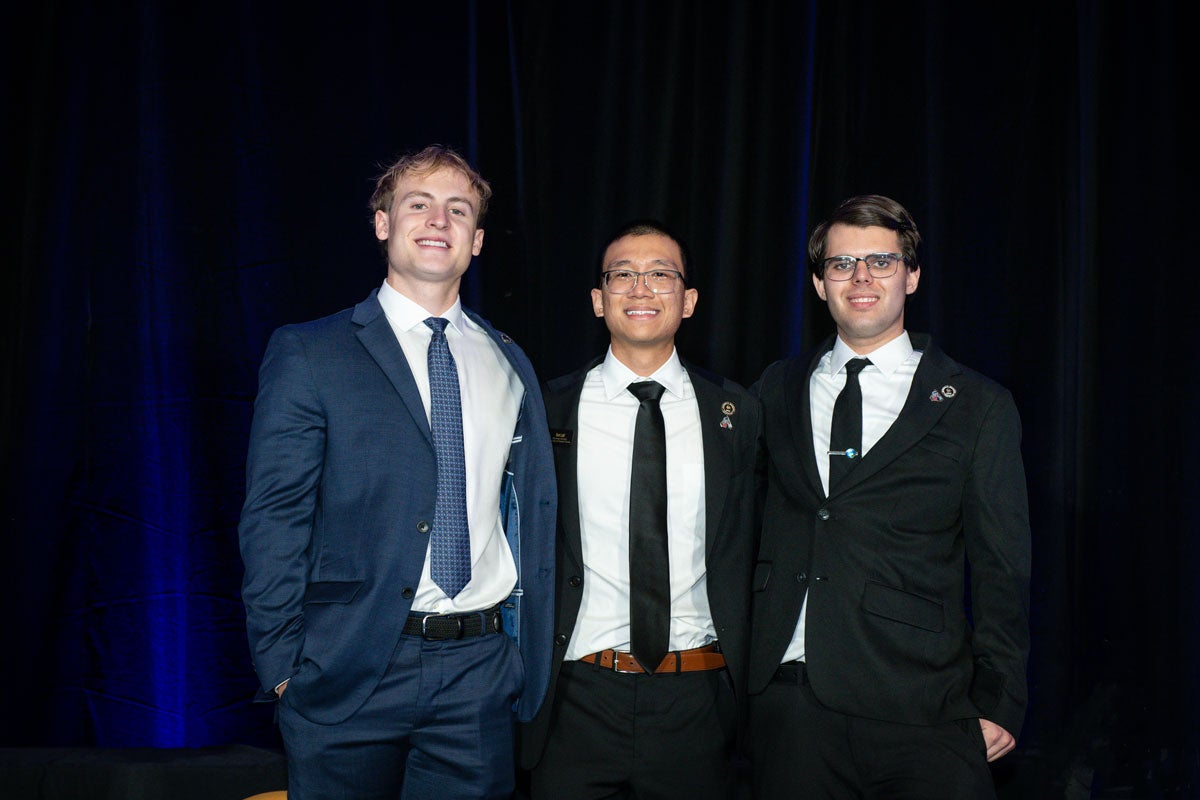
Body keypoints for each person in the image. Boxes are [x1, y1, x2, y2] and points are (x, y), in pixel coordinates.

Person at [238, 144, 556, 800]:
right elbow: (275, 517)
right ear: (383, 224)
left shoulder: (509, 361)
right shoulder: (310, 351)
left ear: (477, 240)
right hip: (346, 669)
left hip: (479, 672)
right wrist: (281, 667)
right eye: (419, 204)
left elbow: (529, 512)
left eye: (458, 209)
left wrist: (521, 661)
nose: (439, 219)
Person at [747, 195, 1031, 798]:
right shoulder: (774, 387)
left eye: (881, 260)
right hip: (791, 701)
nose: (862, 278)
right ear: (821, 284)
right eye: (842, 264)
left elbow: (1003, 565)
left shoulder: (976, 405)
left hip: (923, 703)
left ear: (912, 275)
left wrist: (1001, 697)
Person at [520, 220, 761, 799]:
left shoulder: (738, 412)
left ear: (689, 300)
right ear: (599, 301)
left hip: (698, 703)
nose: (641, 288)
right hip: (574, 700)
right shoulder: (543, 408)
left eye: (660, 274)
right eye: (622, 275)